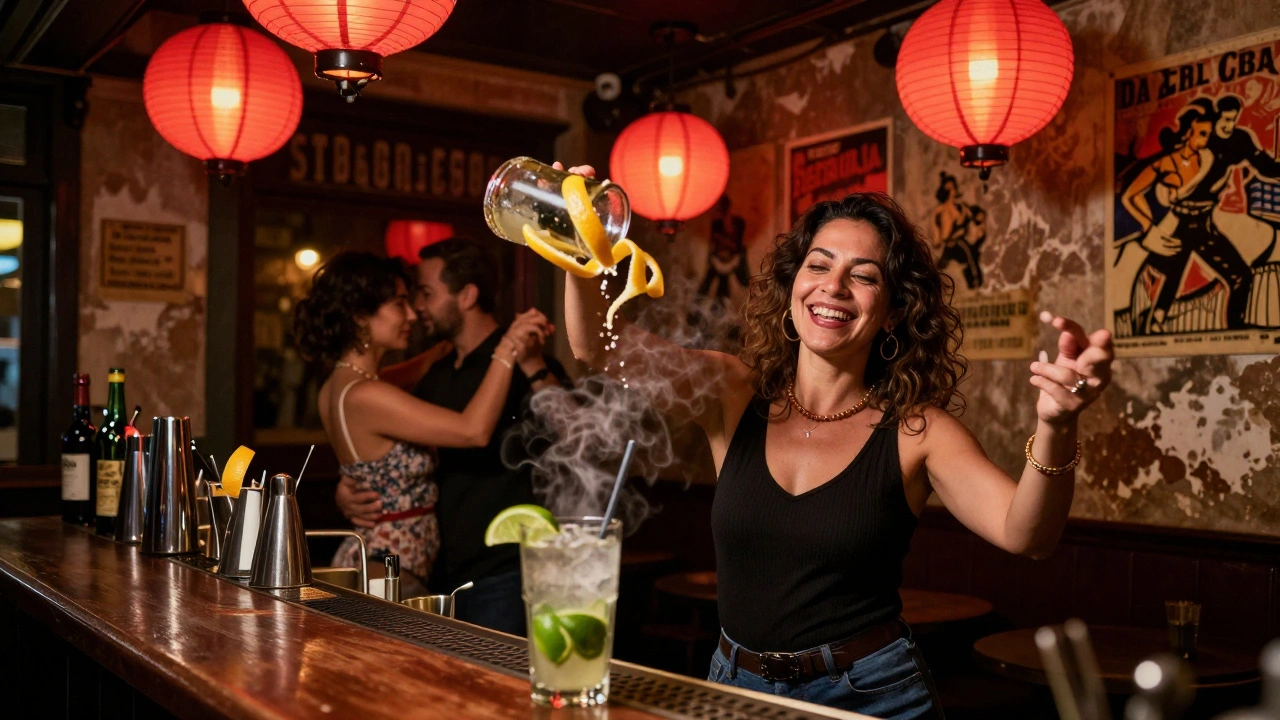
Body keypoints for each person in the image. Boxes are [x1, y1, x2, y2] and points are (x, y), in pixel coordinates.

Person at [559, 164, 1113, 719]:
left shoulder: (918, 431)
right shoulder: (730, 393)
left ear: (894, 311)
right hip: (734, 689)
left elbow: (1028, 536)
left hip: (870, 697)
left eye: (864, 275)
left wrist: (1058, 424)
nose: (833, 286)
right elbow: (596, 347)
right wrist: (575, 242)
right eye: (818, 265)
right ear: (793, 286)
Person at [335, 238, 568, 635]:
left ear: (467, 296)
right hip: (443, 571)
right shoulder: (436, 369)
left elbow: (575, 434)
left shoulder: (522, 356)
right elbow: (376, 425)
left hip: (505, 570)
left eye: (426, 294)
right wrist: (351, 486)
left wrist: (533, 366)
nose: (418, 308)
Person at [1121, 102, 1253, 333]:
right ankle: (1233, 328)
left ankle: (1158, 320)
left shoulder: (1209, 158)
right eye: (1202, 134)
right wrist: (1148, 226)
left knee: (1179, 272)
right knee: (1236, 275)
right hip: (1188, 225)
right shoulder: (1167, 162)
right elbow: (1130, 196)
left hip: (1201, 225)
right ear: (1187, 134)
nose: (1206, 139)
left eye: (1208, 134)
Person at [930, 172, 985, 290]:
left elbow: (974, 218)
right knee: (938, 271)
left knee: (970, 263)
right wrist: (937, 241)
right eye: (948, 189)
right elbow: (937, 234)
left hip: (960, 243)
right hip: (948, 245)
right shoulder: (939, 211)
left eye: (953, 187)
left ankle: (974, 285)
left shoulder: (961, 207)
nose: (951, 191)